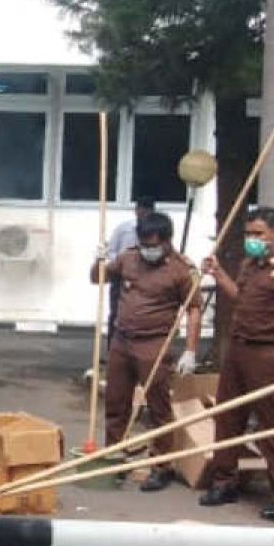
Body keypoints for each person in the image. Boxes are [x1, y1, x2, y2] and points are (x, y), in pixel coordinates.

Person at [199, 207, 274, 522]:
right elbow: (240, 296)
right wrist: (218, 274)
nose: (252, 239)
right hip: (238, 349)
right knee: (227, 417)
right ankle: (224, 481)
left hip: (269, 353)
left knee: (272, 426)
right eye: (249, 234)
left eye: (259, 234)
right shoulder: (249, 263)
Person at [93, 211, 201, 491]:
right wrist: (99, 259)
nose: (147, 249)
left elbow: (193, 308)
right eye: (143, 243)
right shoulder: (129, 257)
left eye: (152, 244)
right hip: (122, 339)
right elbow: (98, 278)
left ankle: (161, 465)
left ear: (166, 241)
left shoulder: (181, 269)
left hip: (155, 343)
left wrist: (190, 350)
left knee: (157, 407)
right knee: (116, 402)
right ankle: (114, 457)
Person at [104, 197, 156, 347]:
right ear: (136, 211)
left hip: (145, 277)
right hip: (121, 276)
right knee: (116, 312)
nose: (143, 213)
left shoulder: (155, 231)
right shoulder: (124, 229)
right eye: (141, 210)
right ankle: (112, 349)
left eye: (147, 211)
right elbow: (111, 251)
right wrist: (122, 263)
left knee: (139, 312)